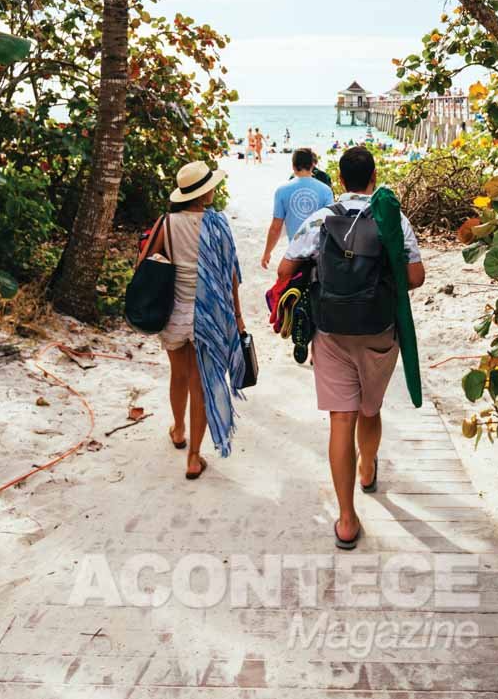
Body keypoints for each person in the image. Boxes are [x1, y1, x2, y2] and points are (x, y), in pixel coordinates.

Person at [277, 146, 425, 548]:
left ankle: (345, 518)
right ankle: (366, 469)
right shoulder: (392, 218)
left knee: (341, 419)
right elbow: (416, 277)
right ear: (373, 176)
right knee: (369, 409)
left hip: (331, 330)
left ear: (339, 181)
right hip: (379, 330)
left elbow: (285, 268)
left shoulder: (321, 218)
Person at [154, 160, 246, 479]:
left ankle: (178, 430)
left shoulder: (166, 223)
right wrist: (237, 315)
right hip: (209, 316)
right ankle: (194, 457)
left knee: (178, 375)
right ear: (206, 193)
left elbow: (147, 264)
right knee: (201, 384)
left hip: (175, 314)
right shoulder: (218, 224)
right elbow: (231, 273)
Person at [261, 146, 332, 271]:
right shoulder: (326, 190)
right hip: (320, 252)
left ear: (293, 166)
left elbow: (275, 227)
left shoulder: (282, 190)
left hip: (294, 253)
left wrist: (267, 252)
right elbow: (331, 223)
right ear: (312, 165)